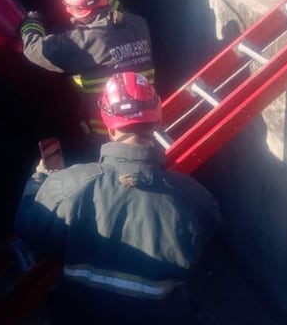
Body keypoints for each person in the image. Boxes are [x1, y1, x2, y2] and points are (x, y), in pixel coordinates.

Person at [14, 71, 222, 325]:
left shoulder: (67, 185)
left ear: (109, 126)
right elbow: (208, 233)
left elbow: (30, 229)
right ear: (156, 122)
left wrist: (39, 181)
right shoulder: (193, 197)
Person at [19, 0, 155, 157]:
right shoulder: (138, 24)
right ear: (104, 0)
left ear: (72, 11)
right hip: (146, 122)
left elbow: (34, 49)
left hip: (107, 134)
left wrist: (33, 22)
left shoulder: (81, 43)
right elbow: (119, 9)